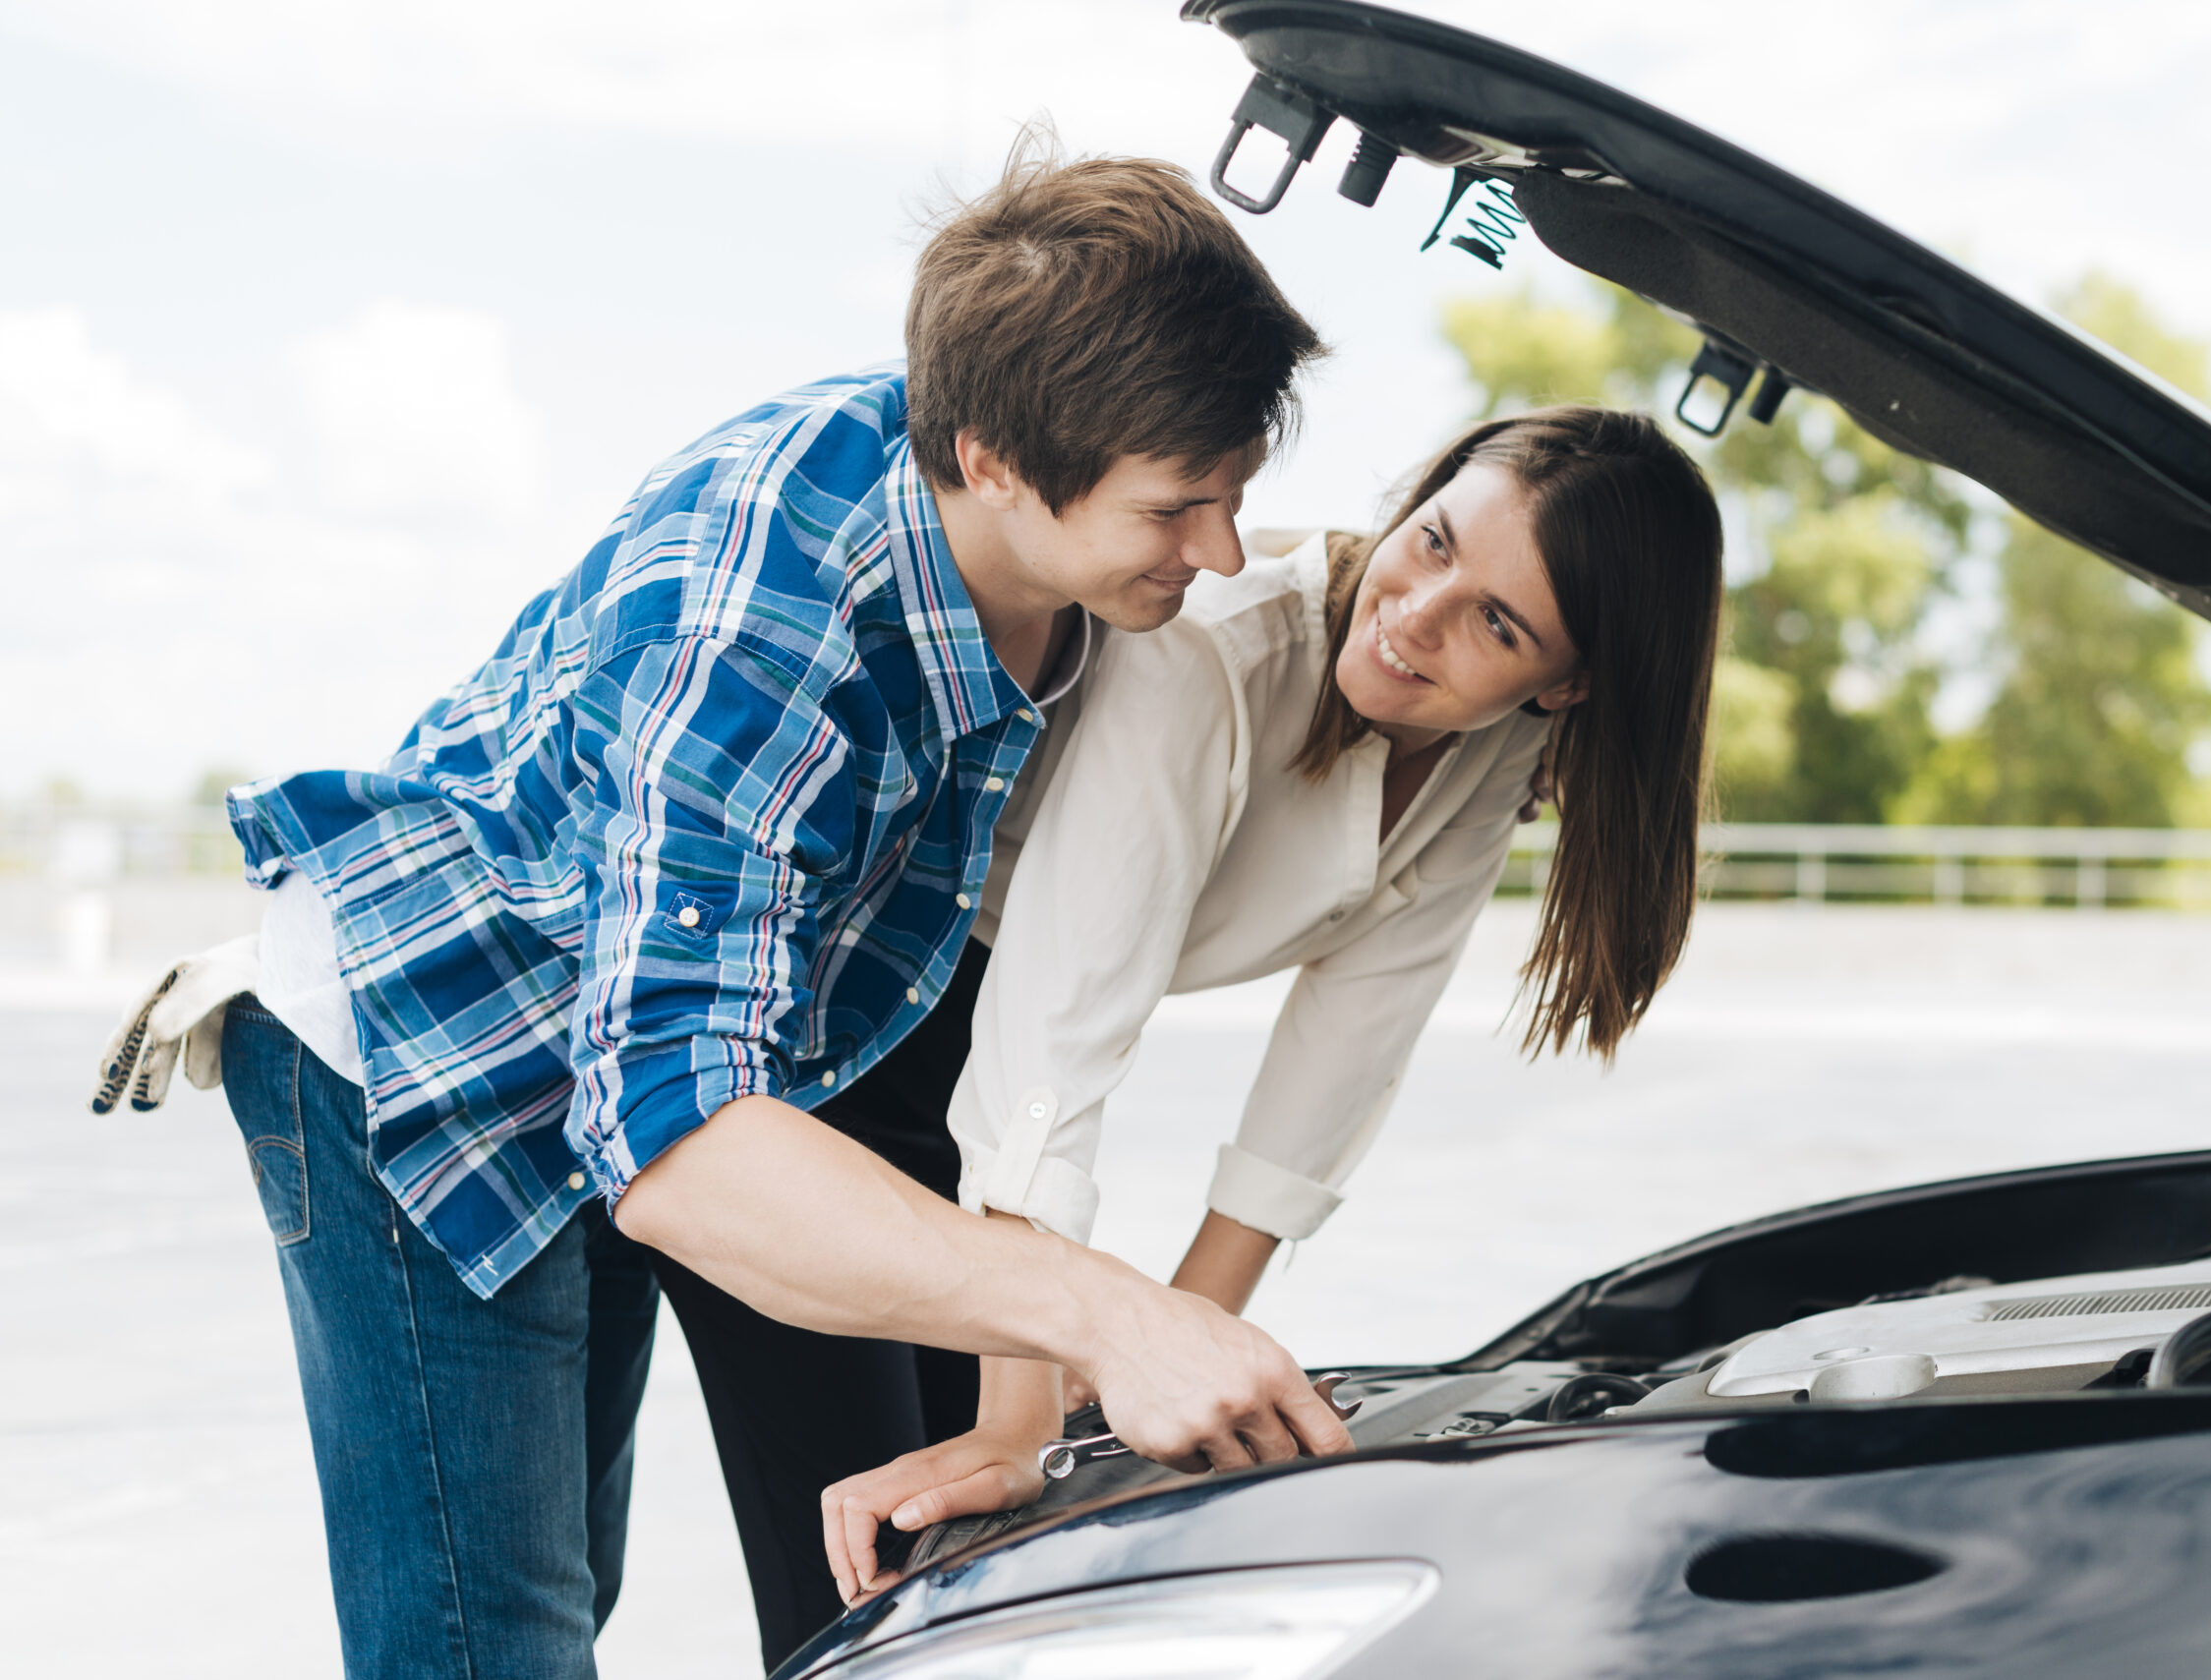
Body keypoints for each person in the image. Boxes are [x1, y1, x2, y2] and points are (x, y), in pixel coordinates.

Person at [88, 145, 1358, 1680]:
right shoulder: (761, 628)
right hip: (429, 1051)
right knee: (488, 1646)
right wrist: (1109, 1316)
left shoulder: (1023, 480)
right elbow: (681, 1144)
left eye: (1236, 498)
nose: (1219, 550)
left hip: (617, 1053)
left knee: (572, 1581)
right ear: (997, 462)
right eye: (1179, 509)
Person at [698, 401, 1723, 1617]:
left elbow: (1348, 1045)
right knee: (874, 1565)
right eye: (1435, 541)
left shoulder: (1490, 752)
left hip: (991, 1062)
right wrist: (1027, 1406)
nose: (1417, 614)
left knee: (1001, 1559)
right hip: (851, 1043)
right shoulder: (1215, 645)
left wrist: (1178, 1331)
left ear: (1569, 686)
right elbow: (1056, 1024)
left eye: (1496, 623)